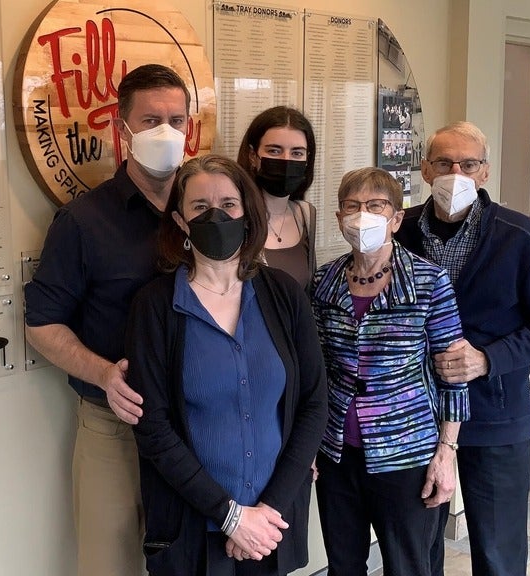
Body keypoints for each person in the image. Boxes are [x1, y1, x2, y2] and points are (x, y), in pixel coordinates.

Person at [24, 63, 191, 576]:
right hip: (114, 427)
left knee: (191, 561)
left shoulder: (208, 209)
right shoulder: (83, 222)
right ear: (122, 130)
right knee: (109, 565)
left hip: (194, 426)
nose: (166, 132)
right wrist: (102, 373)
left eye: (177, 120)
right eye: (150, 120)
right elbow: (42, 324)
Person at [125, 155, 328, 576]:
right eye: (200, 207)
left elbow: (313, 403)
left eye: (228, 205)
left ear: (247, 213)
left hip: (271, 525)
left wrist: (267, 511)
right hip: (193, 526)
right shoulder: (156, 306)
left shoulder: (284, 296)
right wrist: (231, 516)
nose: (216, 215)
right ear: (181, 222)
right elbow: (153, 427)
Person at [394, 121, 530, 576]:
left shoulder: (519, 235)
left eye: (468, 164)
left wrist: (488, 359)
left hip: (495, 418)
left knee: (497, 552)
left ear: (485, 172)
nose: (456, 173)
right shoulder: (402, 231)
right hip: (416, 417)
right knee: (417, 548)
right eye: (443, 163)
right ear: (424, 168)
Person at [311, 167, 469, 575]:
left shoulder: (429, 281)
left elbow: (453, 374)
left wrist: (446, 453)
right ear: (339, 218)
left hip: (406, 452)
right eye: (352, 206)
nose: (363, 215)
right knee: (343, 564)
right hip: (336, 453)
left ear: (397, 219)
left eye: (376, 206)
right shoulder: (323, 283)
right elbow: (314, 369)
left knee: (408, 565)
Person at [236, 106, 318, 293]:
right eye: (274, 151)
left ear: (307, 160)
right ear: (252, 156)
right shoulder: (236, 216)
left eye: (297, 153)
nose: (286, 160)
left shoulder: (305, 215)